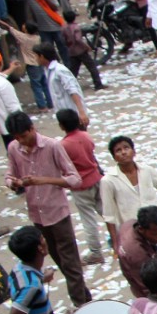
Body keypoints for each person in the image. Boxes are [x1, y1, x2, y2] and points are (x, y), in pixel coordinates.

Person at [3, 112, 91, 308]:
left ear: (32, 129)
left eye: (24, 136)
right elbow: (9, 174)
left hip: (57, 212)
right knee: (60, 260)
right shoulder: (14, 148)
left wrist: (43, 180)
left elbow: (74, 179)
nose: (21, 141)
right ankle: (85, 298)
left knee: (71, 263)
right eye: (17, 138)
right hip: (37, 214)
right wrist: (14, 183)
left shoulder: (52, 146)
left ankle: (80, 305)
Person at [99, 136, 157, 246]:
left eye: (126, 148)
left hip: (155, 227)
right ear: (114, 157)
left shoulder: (146, 170)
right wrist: (115, 244)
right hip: (132, 232)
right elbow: (109, 216)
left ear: (134, 152)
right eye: (118, 150)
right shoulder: (108, 181)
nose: (123, 152)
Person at [53, 108, 104, 266]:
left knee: (88, 219)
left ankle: (95, 252)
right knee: (107, 212)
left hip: (81, 185)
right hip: (96, 177)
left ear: (61, 126)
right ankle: (121, 237)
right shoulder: (86, 136)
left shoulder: (64, 145)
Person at [60, 9, 103, 90]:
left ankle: (70, 87)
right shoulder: (76, 27)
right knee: (92, 67)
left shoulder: (63, 28)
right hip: (80, 51)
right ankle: (98, 84)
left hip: (71, 51)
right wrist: (87, 46)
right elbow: (78, 39)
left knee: (73, 71)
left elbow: (63, 40)